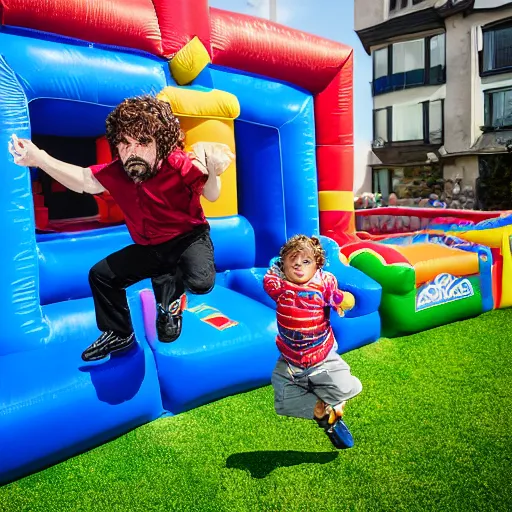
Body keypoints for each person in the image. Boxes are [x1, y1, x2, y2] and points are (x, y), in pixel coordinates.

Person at [9, 95, 234, 362]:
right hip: (150, 246)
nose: (132, 152)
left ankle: (169, 305)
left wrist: (212, 171)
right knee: (101, 275)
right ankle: (119, 333)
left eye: (142, 143)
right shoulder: (120, 171)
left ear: (160, 143)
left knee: (200, 282)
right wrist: (40, 158)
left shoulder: (178, 164)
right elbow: (84, 180)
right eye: (125, 143)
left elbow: (211, 195)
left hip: (188, 239)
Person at [263, 235, 363, 449]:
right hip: (292, 357)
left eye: (305, 261)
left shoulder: (323, 284)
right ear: (284, 267)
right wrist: (277, 264)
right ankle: (323, 413)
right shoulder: (279, 287)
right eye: (293, 261)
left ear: (317, 265)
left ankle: (334, 407)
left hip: (321, 352)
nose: (298, 265)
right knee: (287, 397)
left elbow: (344, 300)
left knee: (348, 386)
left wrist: (341, 299)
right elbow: (269, 275)